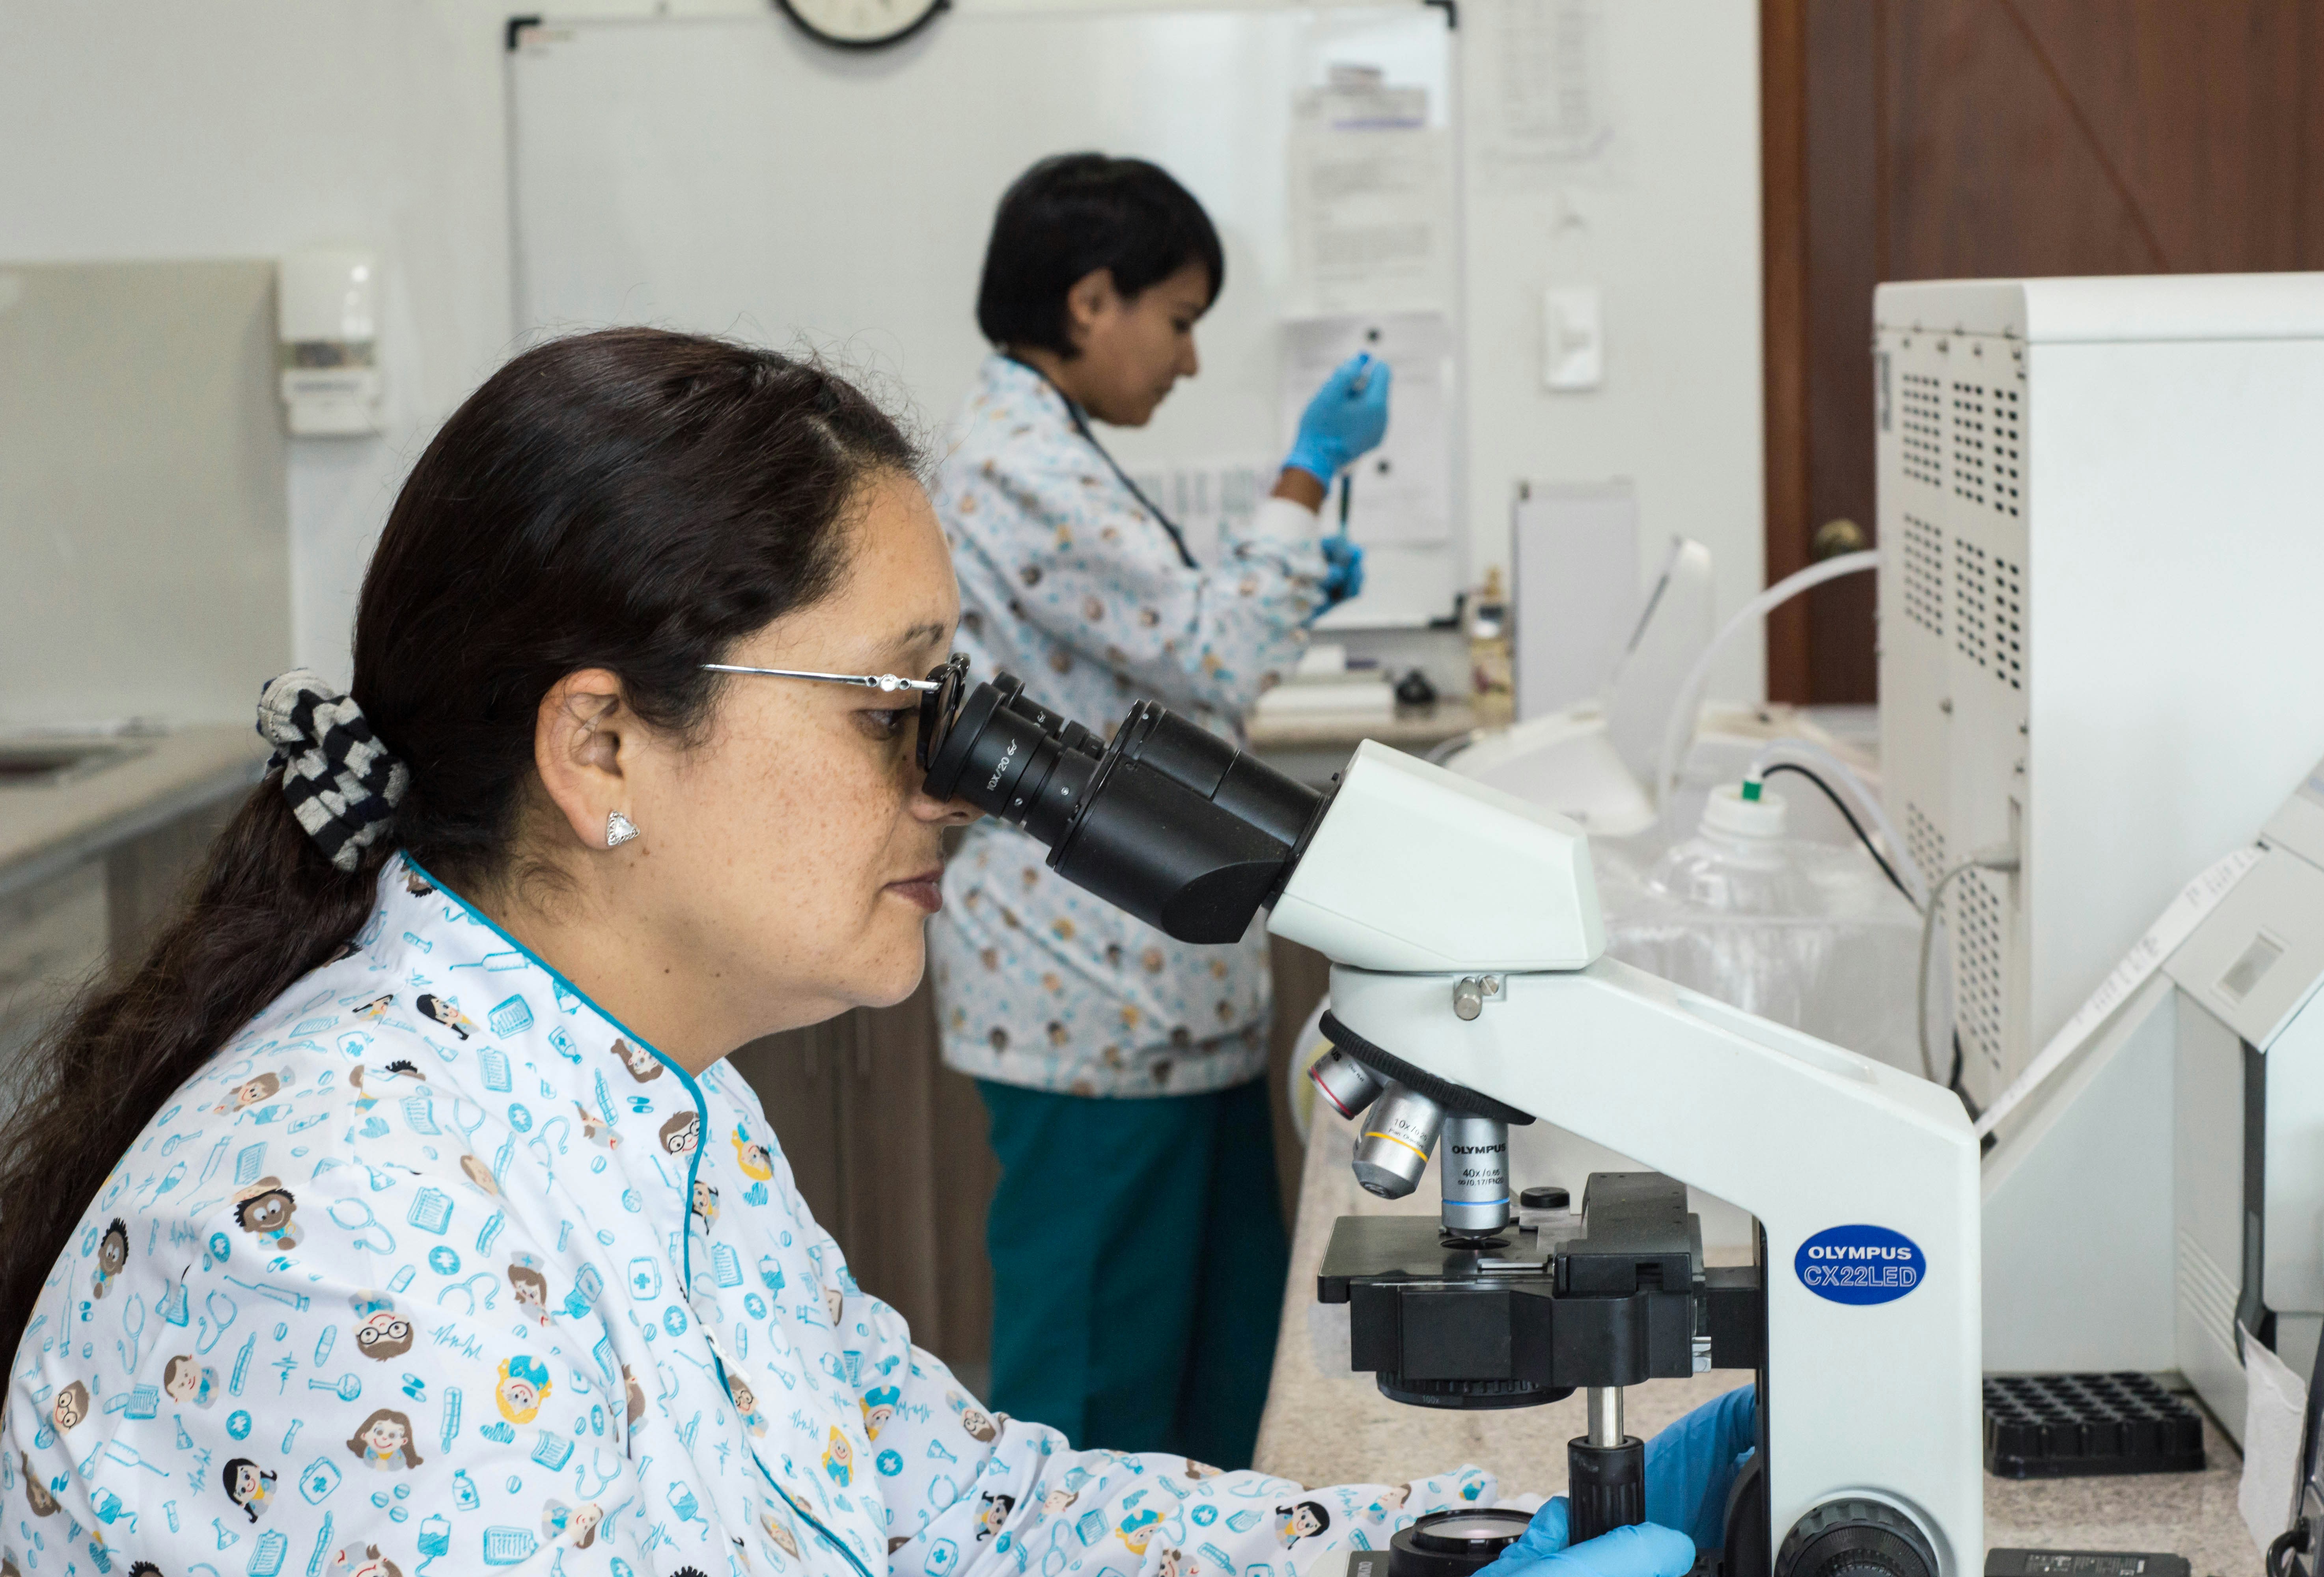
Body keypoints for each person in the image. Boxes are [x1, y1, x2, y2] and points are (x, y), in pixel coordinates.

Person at [0, 326, 1743, 1576]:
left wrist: (1434, 1545)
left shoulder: (660, 1101)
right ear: (600, 746)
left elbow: (954, 1505)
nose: (963, 787)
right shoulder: (347, 1233)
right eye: (901, 705)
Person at [929, 152, 1387, 1468]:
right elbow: (1216, 652)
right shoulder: (1016, 463)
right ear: (1091, 302)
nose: (1186, 364)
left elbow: (1163, 653)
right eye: (1179, 322)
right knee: (1097, 1402)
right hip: (1089, 1013)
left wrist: (1287, 585)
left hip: (1154, 1004)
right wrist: (1303, 484)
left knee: (1218, 1383)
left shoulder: (1050, 448)